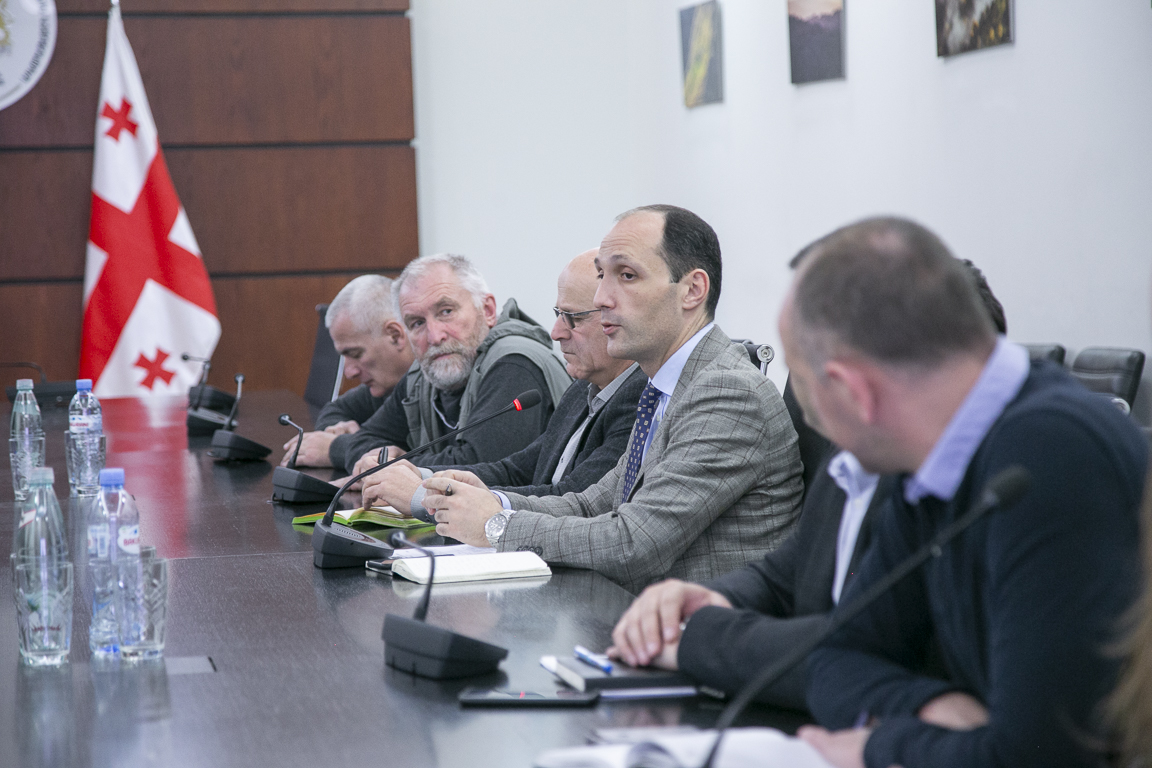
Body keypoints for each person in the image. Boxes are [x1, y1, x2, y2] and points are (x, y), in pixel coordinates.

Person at [769, 217, 1146, 768]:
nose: (807, 414)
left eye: (802, 384)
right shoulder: (936, 457)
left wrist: (877, 744)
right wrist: (929, 706)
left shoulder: (1053, 456)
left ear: (854, 392)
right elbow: (836, 658)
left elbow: (1037, 757)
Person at [606, 257, 1011, 711]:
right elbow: (785, 574)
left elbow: (860, 646)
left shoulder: (975, 486)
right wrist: (707, 599)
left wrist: (695, 640)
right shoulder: (851, 459)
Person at [419, 205, 804, 594]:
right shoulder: (664, 387)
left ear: (692, 290)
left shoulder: (727, 393)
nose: (601, 297)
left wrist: (496, 525)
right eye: (603, 275)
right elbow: (590, 506)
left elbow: (633, 543)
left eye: (627, 275)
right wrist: (490, 502)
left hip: (705, 624)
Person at [360, 249, 646, 513]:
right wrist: (421, 475)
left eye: (573, 318)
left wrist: (422, 496)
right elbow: (516, 470)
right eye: (558, 314)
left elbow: (573, 501)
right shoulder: (583, 388)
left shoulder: (640, 397)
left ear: (617, 319)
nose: (555, 332)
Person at [330, 253, 572, 476]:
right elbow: (365, 439)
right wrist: (379, 459)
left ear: (487, 310)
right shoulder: (423, 375)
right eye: (417, 323)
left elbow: (478, 468)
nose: (435, 337)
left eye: (446, 312)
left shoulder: (515, 364)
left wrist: (396, 464)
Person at [280, 275, 414, 467]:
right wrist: (337, 430)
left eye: (356, 354)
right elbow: (335, 410)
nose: (349, 373)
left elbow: (443, 463)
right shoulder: (387, 385)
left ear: (395, 335)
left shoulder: (439, 382)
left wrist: (336, 448)